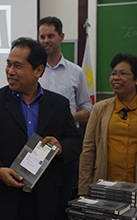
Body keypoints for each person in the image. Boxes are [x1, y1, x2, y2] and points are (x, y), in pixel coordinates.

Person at [0, 37, 82, 220]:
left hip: (45, 201)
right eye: (8, 64)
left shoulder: (58, 104)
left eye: (18, 66)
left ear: (38, 70)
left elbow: (75, 142)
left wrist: (60, 147)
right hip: (3, 199)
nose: (10, 72)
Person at [38, 16, 93, 217]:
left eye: (50, 36)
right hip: (37, 145)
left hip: (66, 145)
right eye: (42, 36)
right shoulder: (34, 71)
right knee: (37, 201)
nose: (46, 41)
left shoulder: (76, 72)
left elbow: (88, 107)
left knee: (63, 201)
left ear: (61, 36)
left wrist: (71, 117)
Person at [79, 53, 137, 195]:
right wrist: (83, 190)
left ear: (136, 79)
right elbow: (88, 151)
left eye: (123, 73)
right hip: (105, 185)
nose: (116, 78)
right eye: (113, 74)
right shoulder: (100, 109)